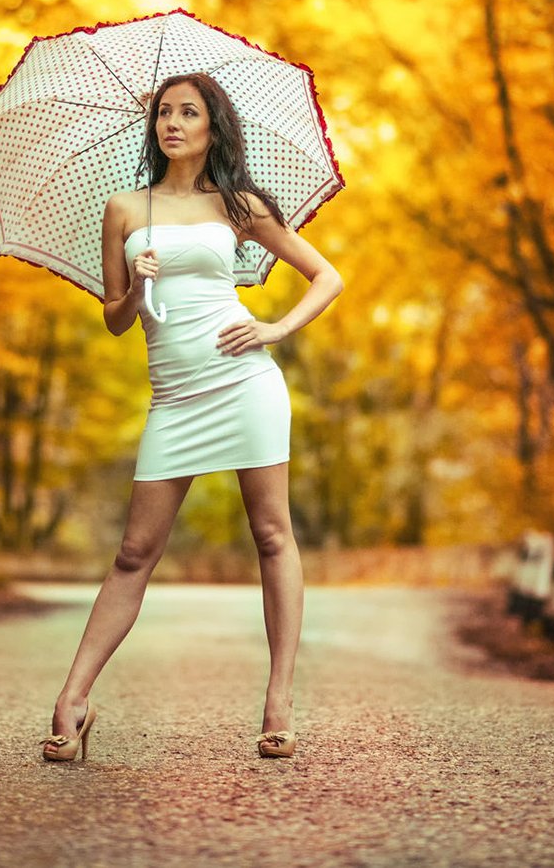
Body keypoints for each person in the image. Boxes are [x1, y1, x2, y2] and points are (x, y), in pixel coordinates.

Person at [40, 72, 345, 763]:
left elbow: (327, 276)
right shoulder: (123, 208)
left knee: (272, 535)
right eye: (163, 113)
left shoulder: (238, 204)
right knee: (132, 553)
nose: (172, 123)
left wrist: (274, 329)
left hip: (244, 381)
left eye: (188, 112)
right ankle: (74, 701)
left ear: (213, 127)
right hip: (174, 398)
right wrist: (138, 284)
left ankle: (278, 700)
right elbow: (117, 321)